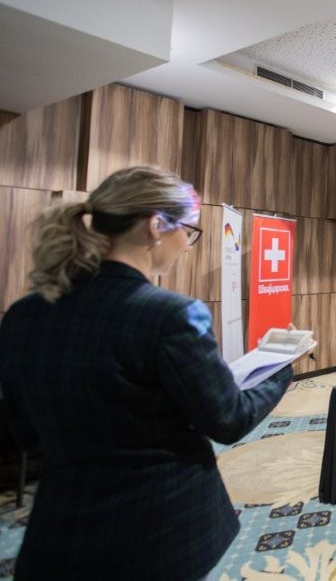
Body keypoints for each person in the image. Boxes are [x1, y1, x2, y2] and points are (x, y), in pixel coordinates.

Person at [0, 166, 293, 580]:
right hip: (157, 531)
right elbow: (229, 419)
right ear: (156, 226)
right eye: (189, 231)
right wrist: (280, 366)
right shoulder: (169, 315)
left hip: (59, 529)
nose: (188, 246)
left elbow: (24, 432)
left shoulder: (25, 314)